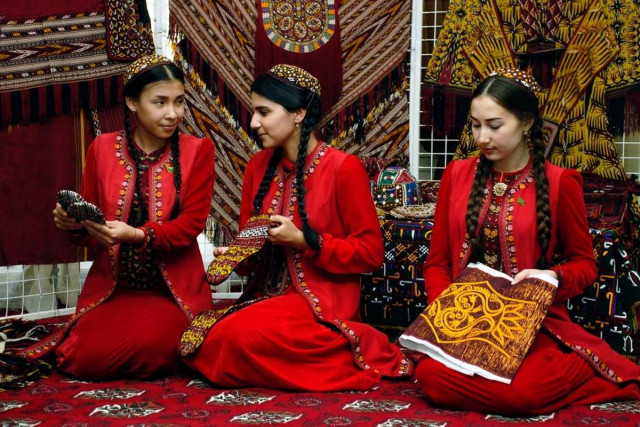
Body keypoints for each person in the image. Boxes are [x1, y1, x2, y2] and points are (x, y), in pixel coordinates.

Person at [409, 68, 640, 415]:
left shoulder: (561, 183)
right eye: (475, 125)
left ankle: (589, 369)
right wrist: (446, 317)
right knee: (431, 377)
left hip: (532, 325)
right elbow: (438, 261)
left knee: (524, 394)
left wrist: (552, 277)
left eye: (494, 126)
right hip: (464, 322)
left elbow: (585, 265)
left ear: (527, 123)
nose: (482, 137)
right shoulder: (456, 175)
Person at [181, 64, 412, 391]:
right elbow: (249, 258)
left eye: (264, 112)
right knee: (200, 339)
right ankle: (301, 356)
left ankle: (348, 346)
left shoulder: (343, 168)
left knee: (236, 337)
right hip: (263, 299)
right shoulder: (257, 167)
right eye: (253, 112)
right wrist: (235, 255)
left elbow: (371, 253)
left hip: (319, 304)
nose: (253, 123)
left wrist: (305, 241)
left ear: (299, 114)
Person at [20, 55, 216, 380]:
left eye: (179, 101)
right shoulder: (102, 148)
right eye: (160, 102)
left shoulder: (198, 151)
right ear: (132, 102)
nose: (173, 113)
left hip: (171, 294)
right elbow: (91, 233)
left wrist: (136, 235)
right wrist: (73, 224)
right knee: (80, 358)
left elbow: (189, 227)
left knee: (153, 348)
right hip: (113, 289)